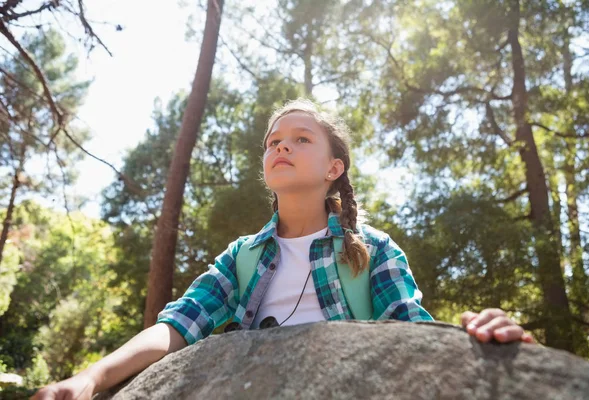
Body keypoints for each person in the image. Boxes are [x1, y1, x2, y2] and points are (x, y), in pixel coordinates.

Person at [32, 99, 534, 400]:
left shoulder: (374, 249)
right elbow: (177, 327)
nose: (281, 147)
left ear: (334, 168)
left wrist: (481, 340)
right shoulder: (241, 256)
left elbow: (415, 335)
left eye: (300, 139)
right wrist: (91, 379)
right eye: (273, 142)